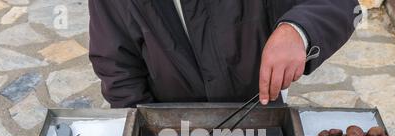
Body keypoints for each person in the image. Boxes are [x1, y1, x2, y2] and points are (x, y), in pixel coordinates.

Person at [89, 0, 359, 108]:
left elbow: (343, 5)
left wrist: (298, 30)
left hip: (259, 110)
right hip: (170, 126)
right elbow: (116, 63)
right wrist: (145, 130)